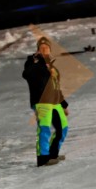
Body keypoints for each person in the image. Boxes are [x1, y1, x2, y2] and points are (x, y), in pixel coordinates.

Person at [22, 36, 70, 167]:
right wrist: (42, 64)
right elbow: (27, 74)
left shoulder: (52, 66)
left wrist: (64, 104)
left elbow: (56, 87)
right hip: (42, 102)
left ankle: (53, 154)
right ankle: (42, 158)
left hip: (55, 102)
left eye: (47, 48)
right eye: (42, 48)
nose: (44, 50)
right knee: (44, 129)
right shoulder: (33, 62)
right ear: (38, 50)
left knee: (63, 128)